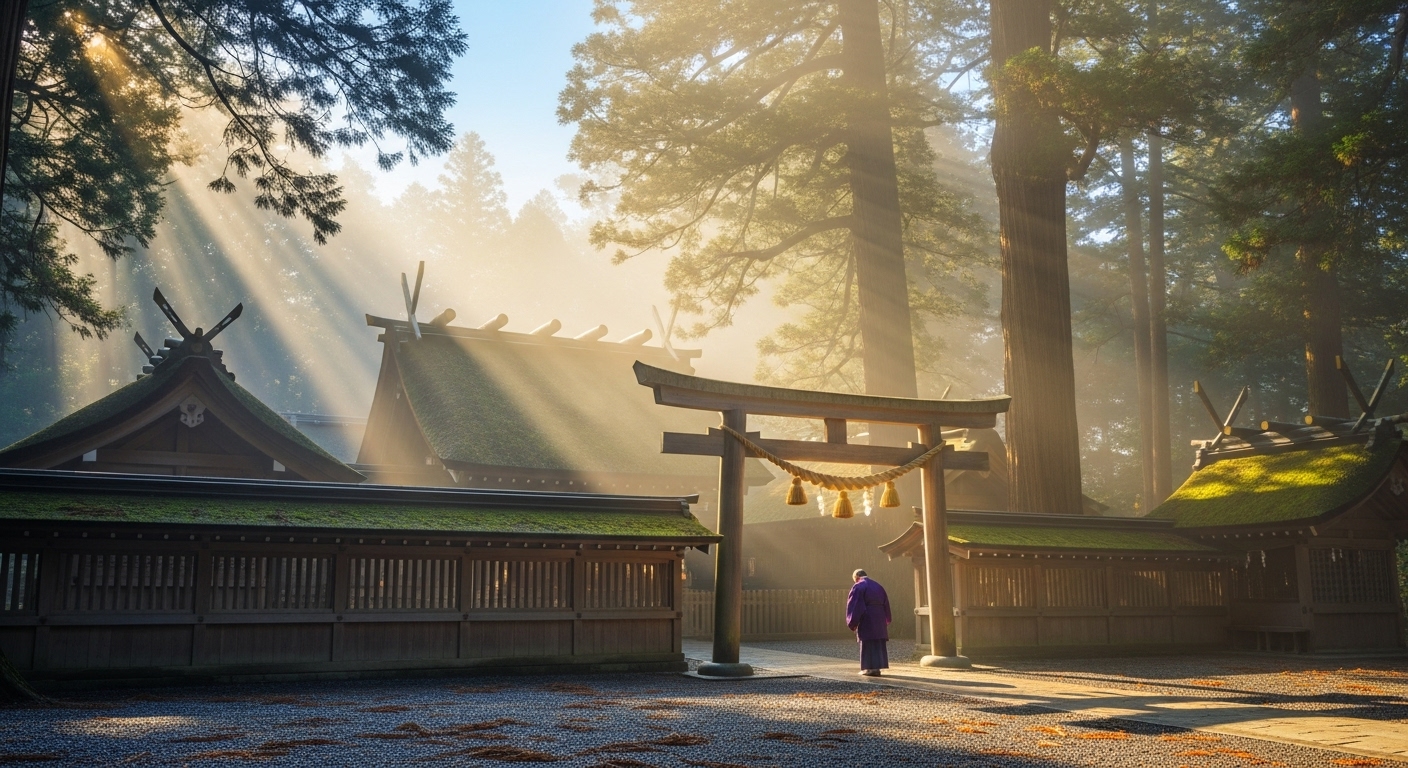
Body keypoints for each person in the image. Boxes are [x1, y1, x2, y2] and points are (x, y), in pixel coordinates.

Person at [845, 569, 890, 676]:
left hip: (867, 616)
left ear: (856, 577)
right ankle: (877, 668)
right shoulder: (878, 586)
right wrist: (886, 618)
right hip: (879, 616)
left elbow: (855, 604)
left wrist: (853, 621)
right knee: (877, 642)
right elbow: (886, 603)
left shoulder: (859, 586)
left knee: (867, 641)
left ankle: (868, 668)